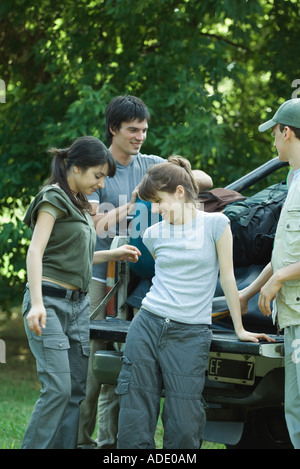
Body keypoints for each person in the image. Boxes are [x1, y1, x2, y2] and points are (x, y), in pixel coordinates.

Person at [77, 95, 213, 449]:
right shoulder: (98, 167)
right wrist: (137, 199)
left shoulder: (151, 163)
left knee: (127, 363)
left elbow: (202, 179)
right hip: (101, 274)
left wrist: (170, 180)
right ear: (113, 129)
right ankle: (79, 439)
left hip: (138, 276)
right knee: (94, 361)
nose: (140, 137)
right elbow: (95, 226)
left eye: (144, 130)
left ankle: (111, 442)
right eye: (133, 130)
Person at [116, 156, 274, 449]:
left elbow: (227, 279)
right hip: (147, 324)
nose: (156, 209)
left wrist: (239, 328)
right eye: (151, 203)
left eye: (159, 201)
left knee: (185, 418)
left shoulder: (216, 224)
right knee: (135, 410)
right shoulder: (153, 233)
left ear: (179, 192)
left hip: (190, 333)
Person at [21, 136, 140, 449]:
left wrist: (112, 255)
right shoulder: (53, 198)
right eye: (97, 176)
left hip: (77, 307)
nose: (101, 185)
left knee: (75, 391)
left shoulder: (79, 204)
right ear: (75, 168)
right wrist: (35, 304)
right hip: (48, 303)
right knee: (58, 389)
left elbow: (77, 257)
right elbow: (35, 251)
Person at [239, 98, 300, 449]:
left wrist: (278, 280)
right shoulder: (294, 180)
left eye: (274, 132)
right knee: (294, 406)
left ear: (286, 131)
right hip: (293, 315)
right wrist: (250, 291)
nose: (273, 141)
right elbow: (285, 254)